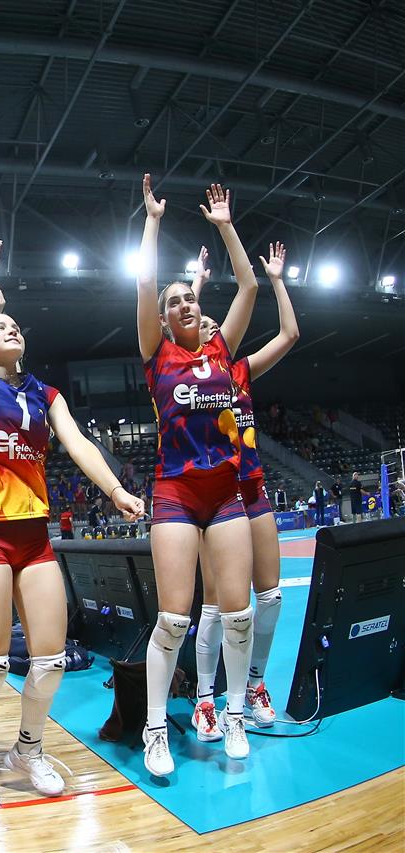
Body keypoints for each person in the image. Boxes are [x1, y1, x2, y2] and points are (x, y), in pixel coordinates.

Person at [0, 235, 144, 811]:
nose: (10, 329)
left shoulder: (45, 393)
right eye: (1, 327)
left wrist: (115, 489)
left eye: (16, 326)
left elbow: (78, 442)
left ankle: (27, 749)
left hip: (34, 537)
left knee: (51, 660)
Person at [133, 176, 260, 778]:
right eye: (175, 301)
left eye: (191, 298)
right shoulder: (157, 354)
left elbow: (250, 287)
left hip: (225, 493)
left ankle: (234, 715)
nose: (186, 304)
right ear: (163, 318)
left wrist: (226, 226)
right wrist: (153, 221)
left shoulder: (222, 350)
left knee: (238, 613)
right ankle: (155, 727)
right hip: (176, 493)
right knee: (174, 619)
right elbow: (144, 283)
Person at [190, 241, 299, 736]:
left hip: (252, 491)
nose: (214, 328)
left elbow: (290, 334)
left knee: (270, 597)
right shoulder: (183, 377)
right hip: (213, 499)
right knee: (215, 605)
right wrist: (195, 285)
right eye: (205, 325)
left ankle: (255, 685)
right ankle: (205, 699)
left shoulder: (241, 371)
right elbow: (177, 326)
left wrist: (276, 279)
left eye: (218, 325)